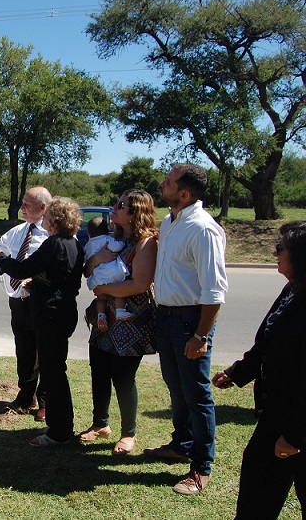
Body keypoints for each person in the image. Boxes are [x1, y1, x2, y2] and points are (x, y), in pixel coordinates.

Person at [144, 163, 228, 495]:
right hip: (165, 318)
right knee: (176, 388)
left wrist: (201, 335)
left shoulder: (203, 229)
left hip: (189, 323)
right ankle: (182, 444)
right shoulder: (170, 222)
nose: (161, 184)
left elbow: (214, 292)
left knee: (196, 394)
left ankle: (201, 467)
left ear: (184, 193)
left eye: (168, 182)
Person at [212, 222, 306, 519]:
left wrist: (294, 435)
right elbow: (268, 341)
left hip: (296, 421)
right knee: (257, 489)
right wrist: (239, 372)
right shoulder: (292, 289)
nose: (274, 253)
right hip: (276, 412)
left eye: (280, 248)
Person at [0, 196, 84, 446]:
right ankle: (61, 427)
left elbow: (20, 269)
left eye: (47, 216)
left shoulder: (53, 244)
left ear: (54, 221)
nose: (44, 219)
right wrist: (38, 282)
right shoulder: (73, 244)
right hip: (64, 312)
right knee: (55, 371)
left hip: (50, 315)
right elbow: (63, 278)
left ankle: (59, 432)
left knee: (53, 374)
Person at [81, 190, 159, 456]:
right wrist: (96, 260)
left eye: (121, 205)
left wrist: (103, 287)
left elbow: (139, 284)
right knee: (99, 370)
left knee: (124, 378)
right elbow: (87, 270)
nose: (114, 208)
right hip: (105, 315)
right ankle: (100, 424)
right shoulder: (112, 238)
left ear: (135, 212)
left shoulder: (145, 243)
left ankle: (129, 434)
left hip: (131, 318)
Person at [0, 187, 51, 419]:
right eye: (22, 203)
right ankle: (26, 396)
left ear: (43, 208)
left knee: (45, 351)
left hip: (42, 302)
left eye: (27, 204)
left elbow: (59, 267)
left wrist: (36, 280)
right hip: (18, 301)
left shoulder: (53, 234)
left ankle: (45, 402)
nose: (22, 208)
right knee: (24, 349)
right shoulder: (18, 231)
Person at [83, 216, 131, 331]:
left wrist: (95, 259)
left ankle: (101, 315)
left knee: (101, 299)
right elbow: (118, 246)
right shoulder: (107, 239)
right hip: (111, 273)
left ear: (89, 233)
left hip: (98, 277)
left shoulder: (88, 245)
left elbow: (86, 263)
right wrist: (122, 242)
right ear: (107, 231)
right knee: (118, 293)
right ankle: (120, 311)